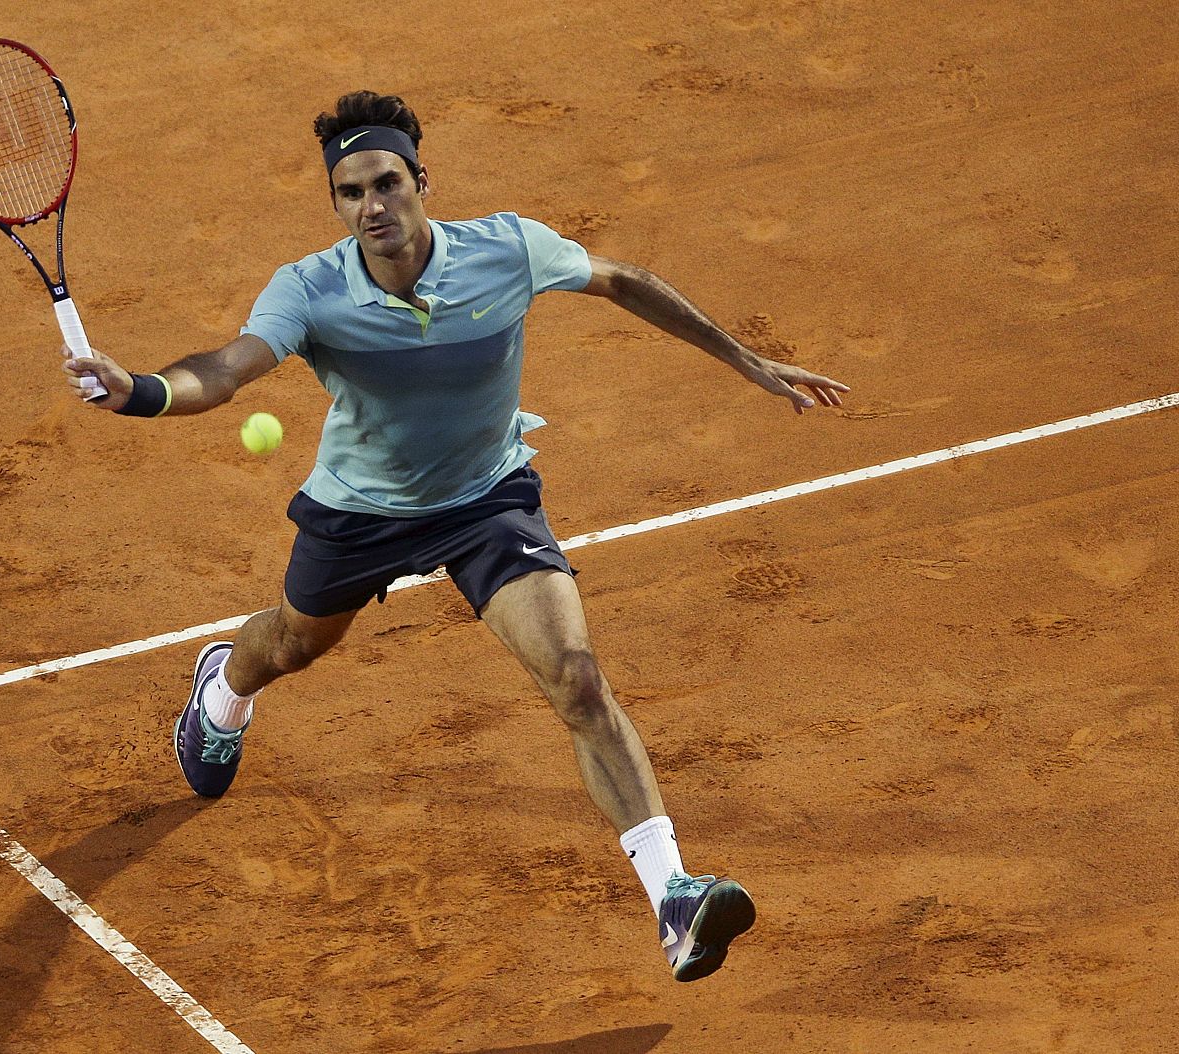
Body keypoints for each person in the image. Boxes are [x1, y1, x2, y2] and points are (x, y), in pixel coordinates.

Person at [63, 90, 848, 982]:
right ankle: (224, 691)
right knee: (288, 646)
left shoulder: (505, 248)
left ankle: (673, 896)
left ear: (422, 180)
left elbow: (621, 278)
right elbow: (229, 368)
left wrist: (749, 360)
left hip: (486, 500)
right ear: (336, 204)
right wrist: (143, 389)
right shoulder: (312, 290)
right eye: (352, 192)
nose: (373, 207)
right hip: (360, 511)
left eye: (388, 183)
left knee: (578, 677)